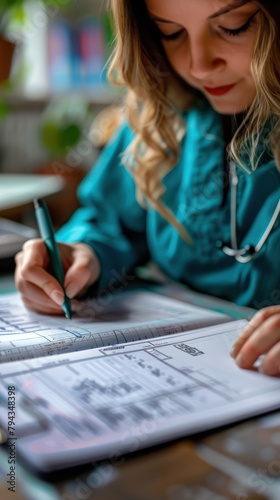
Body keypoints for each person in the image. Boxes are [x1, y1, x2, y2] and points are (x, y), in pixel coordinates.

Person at [15, 0, 280, 376]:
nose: (198, 65)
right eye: (170, 33)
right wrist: (81, 254)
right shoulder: (158, 117)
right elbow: (108, 221)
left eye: (234, 26)